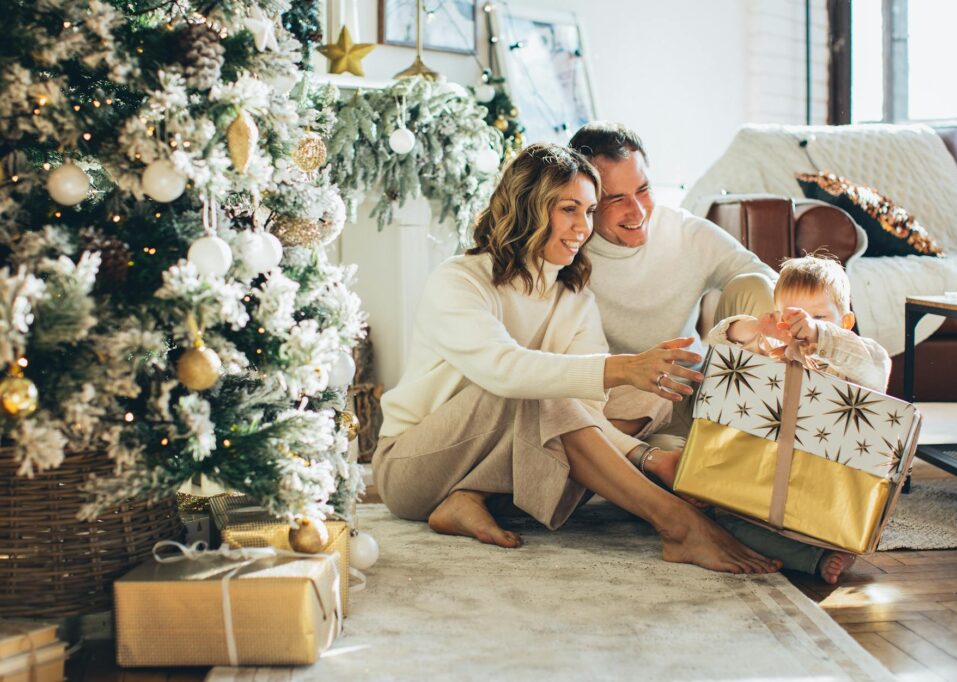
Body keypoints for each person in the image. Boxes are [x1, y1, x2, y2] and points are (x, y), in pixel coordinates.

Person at [372, 143, 780, 575]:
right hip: (412, 465)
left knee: (653, 392)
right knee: (547, 390)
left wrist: (646, 457)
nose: (582, 227)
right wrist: (624, 371)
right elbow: (505, 371)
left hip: (490, 455)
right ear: (528, 205)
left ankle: (473, 498)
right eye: (569, 209)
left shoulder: (574, 297)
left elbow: (584, 414)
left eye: (588, 211)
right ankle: (677, 524)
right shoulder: (460, 280)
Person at [568, 122, 777, 449]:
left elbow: (763, 277)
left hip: (695, 393)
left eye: (643, 190)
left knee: (755, 286)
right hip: (622, 407)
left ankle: (751, 435)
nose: (637, 211)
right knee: (678, 463)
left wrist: (745, 332)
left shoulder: (682, 231)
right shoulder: (566, 250)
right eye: (616, 199)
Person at [705, 253, 893, 583]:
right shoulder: (773, 357)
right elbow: (719, 342)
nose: (800, 328)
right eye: (789, 319)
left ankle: (833, 549)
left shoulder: (849, 360)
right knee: (723, 521)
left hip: (835, 488)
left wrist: (820, 333)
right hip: (774, 488)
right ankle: (811, 558)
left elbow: (877, 366)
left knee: (852, 526)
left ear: (845, 323)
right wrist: (754, 328)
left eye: (818, 315)